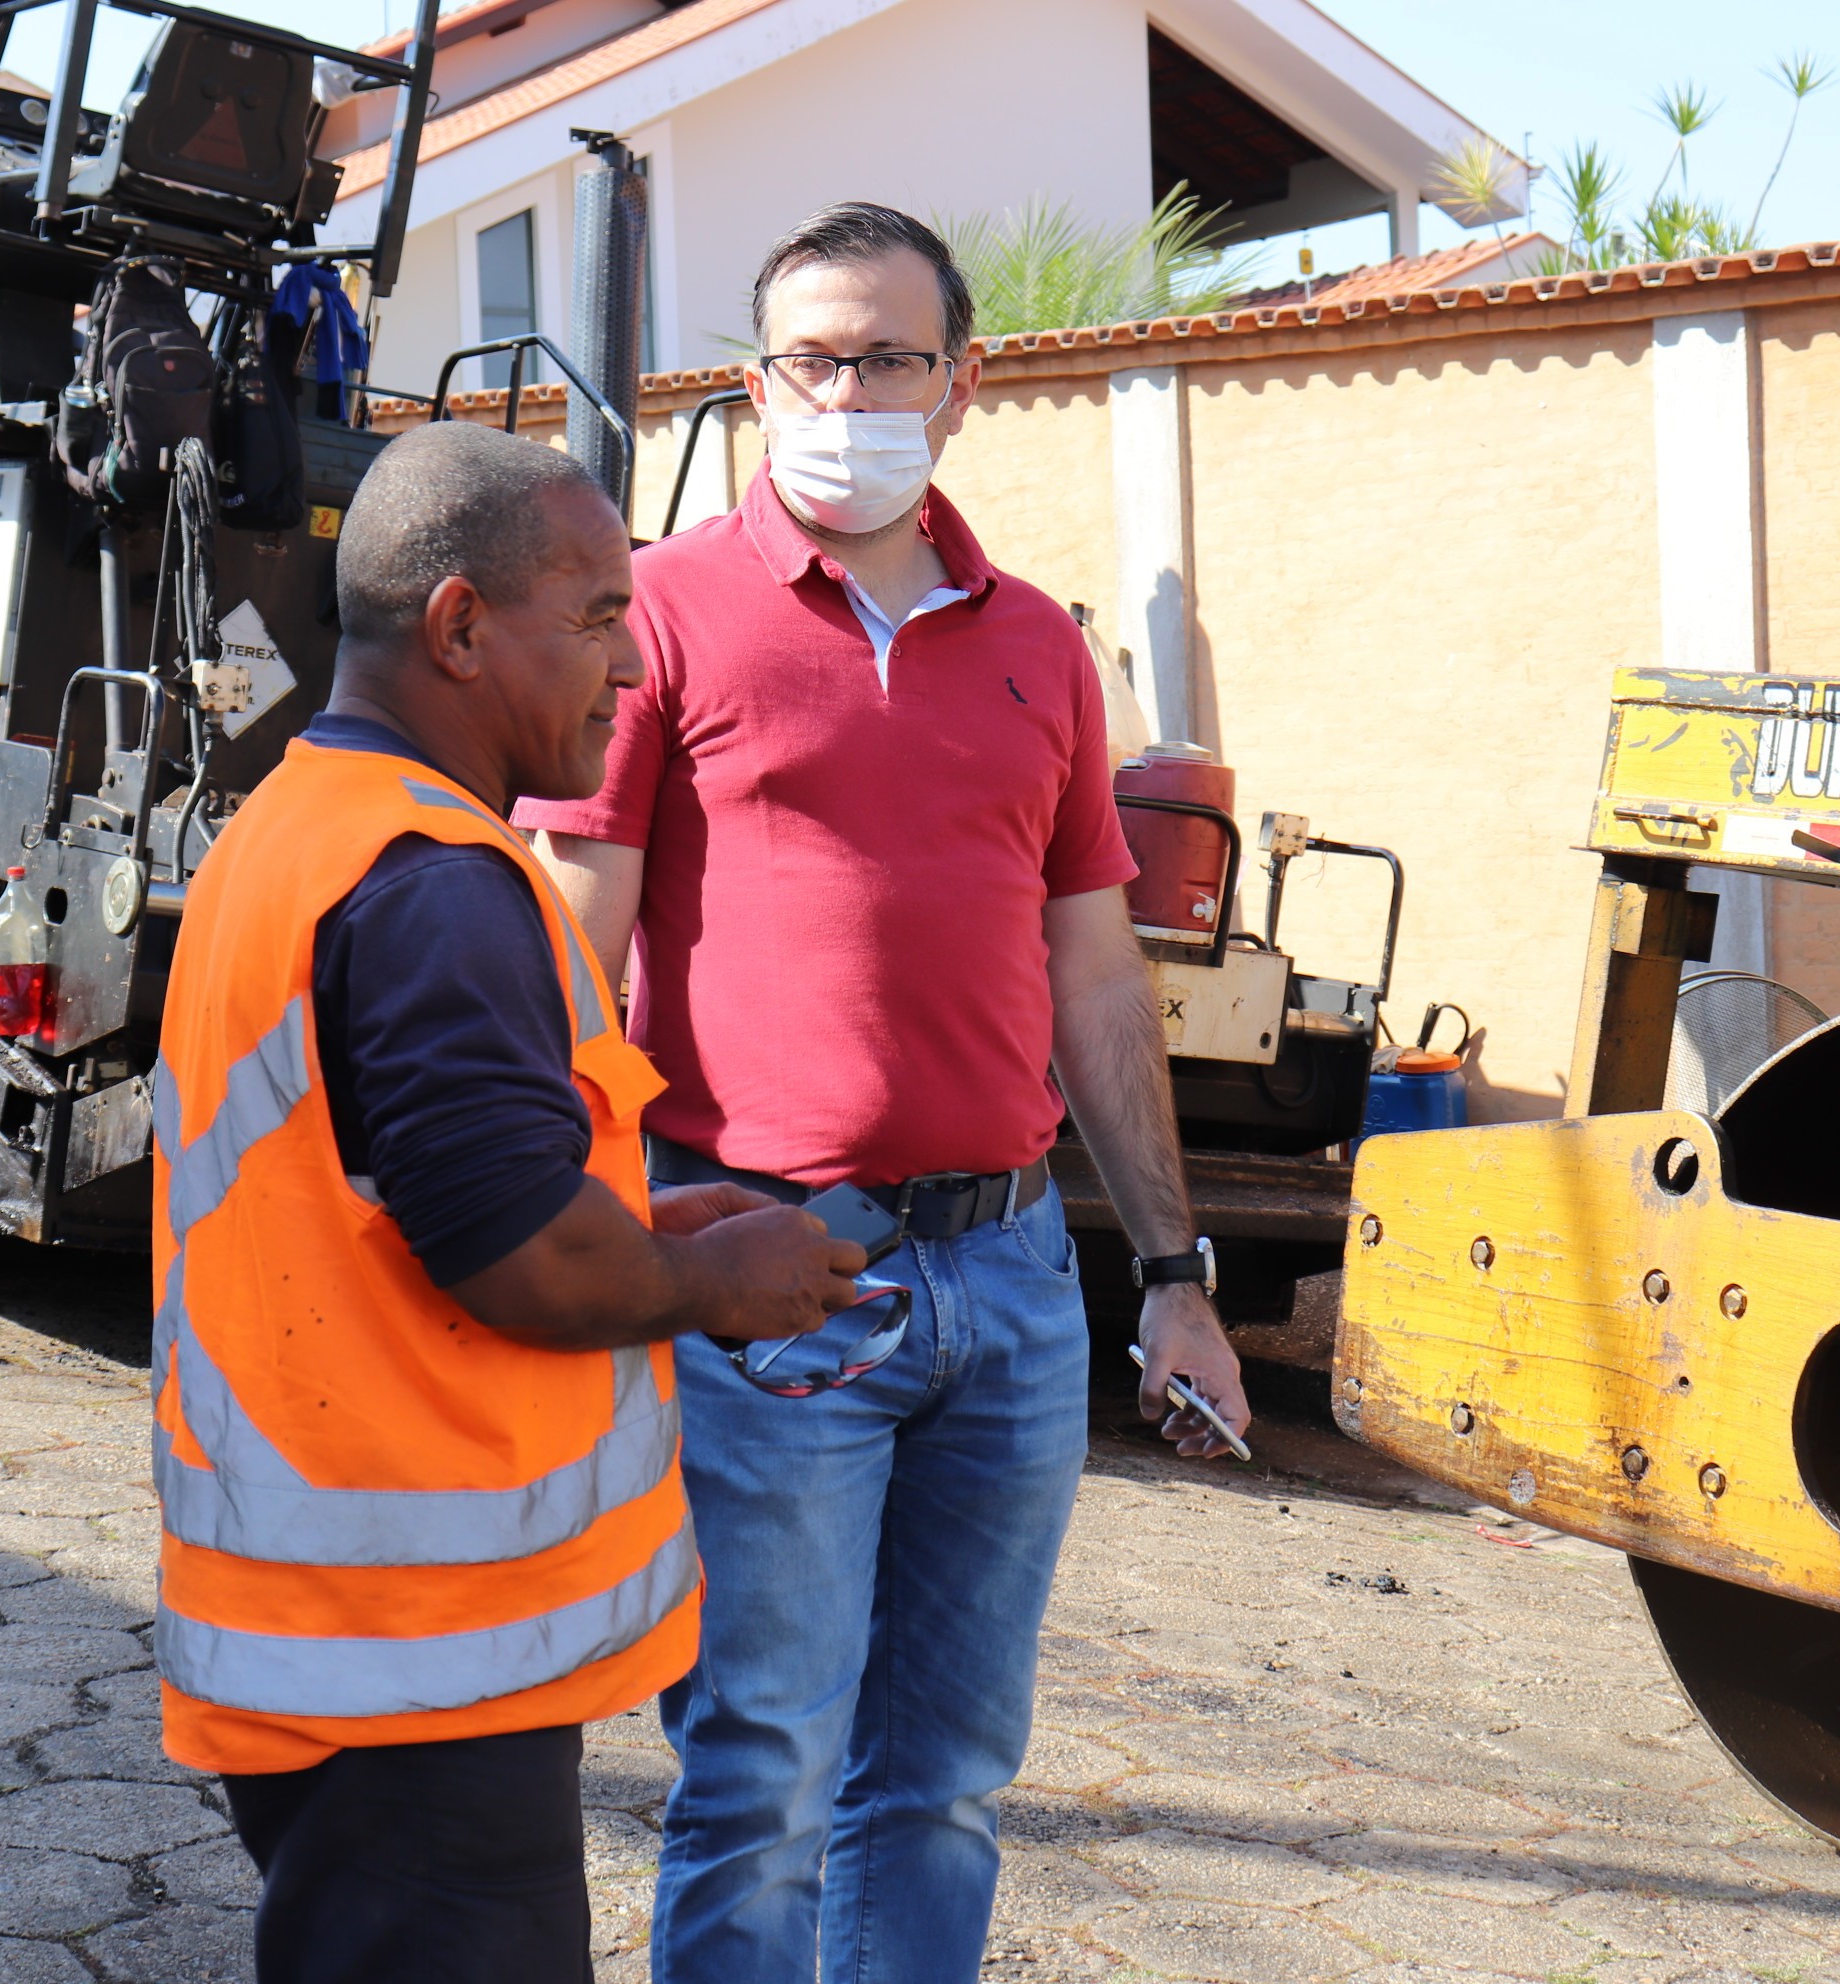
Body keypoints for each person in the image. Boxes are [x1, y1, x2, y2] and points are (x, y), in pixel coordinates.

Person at [519, 203, 1252, 1982]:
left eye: (887, 360)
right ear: (760, 383)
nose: (846, 395)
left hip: (1012, 1284)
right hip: (770, 1274)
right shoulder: (660, 611)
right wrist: (559, 1244)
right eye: (810, 361)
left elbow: (1097, 979)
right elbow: (568, 943)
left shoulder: (1038, 646)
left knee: (948, 1782)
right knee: (760, 1772)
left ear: (961, 381)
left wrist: (1174, 1277)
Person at [150, 419, 865, 1984]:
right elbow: (516, 1254)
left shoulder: (297, 828)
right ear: (462, 627)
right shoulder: (435, 881)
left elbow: (399, 1192)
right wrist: (713, 1283)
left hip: (337, 1640)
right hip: (414, 1669)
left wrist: (642, 1234)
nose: (630, 665)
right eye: (598, 617)